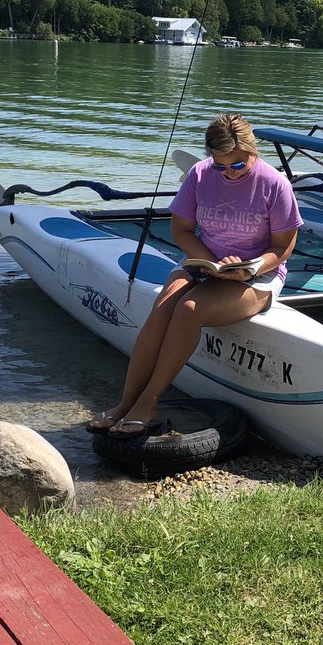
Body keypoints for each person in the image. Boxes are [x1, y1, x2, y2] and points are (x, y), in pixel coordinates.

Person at [87, 113, 303, 436]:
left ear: (252, 152)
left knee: (188, 309)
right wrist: (210, 260)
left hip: (258, 274)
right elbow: (182, 230)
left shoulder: (275, 184)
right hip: (204, 261)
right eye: (221, 165)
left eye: (238, 165)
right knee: (163, 308)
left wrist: (251, 268)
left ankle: (148, 402)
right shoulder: (200, 175)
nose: (228, 173)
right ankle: (124, 404)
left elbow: (284, 246)